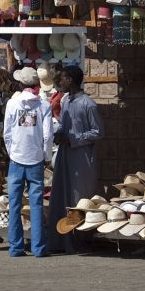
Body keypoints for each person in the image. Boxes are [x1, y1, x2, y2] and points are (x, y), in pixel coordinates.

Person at [48, 65, 104, 254]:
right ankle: (62, 240)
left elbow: (98, 132)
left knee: (79, 198)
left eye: (62, 78)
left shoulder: (88, 104)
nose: (60, 82)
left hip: (81, 158)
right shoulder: (65, 101)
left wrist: (73, 139)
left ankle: (81, 240)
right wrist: (58, 134)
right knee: (62, 195)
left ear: (70, 80)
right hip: (65, 155)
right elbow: (64, 125)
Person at [3, 67, 53, 258]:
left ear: (21, 84)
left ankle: (15, 247)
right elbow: (48, 135)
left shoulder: (12, 104)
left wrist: (12, 152)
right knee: (36, 204)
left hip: (16, 158)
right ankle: (38, 248)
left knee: (14, 204)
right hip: (36, 158)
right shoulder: (43, 105)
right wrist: (45, 156)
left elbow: (7, 133)